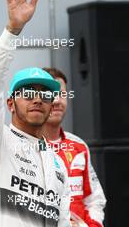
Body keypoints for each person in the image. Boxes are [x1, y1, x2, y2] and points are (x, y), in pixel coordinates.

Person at [0, 0, 71, 227]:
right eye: (27, 92)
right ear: (11, 104)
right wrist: (12, 31)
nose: (37, 98)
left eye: (45, 93)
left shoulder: (58, 163)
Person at [42, 67, 106, 227]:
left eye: (62, 94)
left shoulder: (79, 146)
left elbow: (94, 199)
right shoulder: (25, 147)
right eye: (49, 94)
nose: (56, 100)